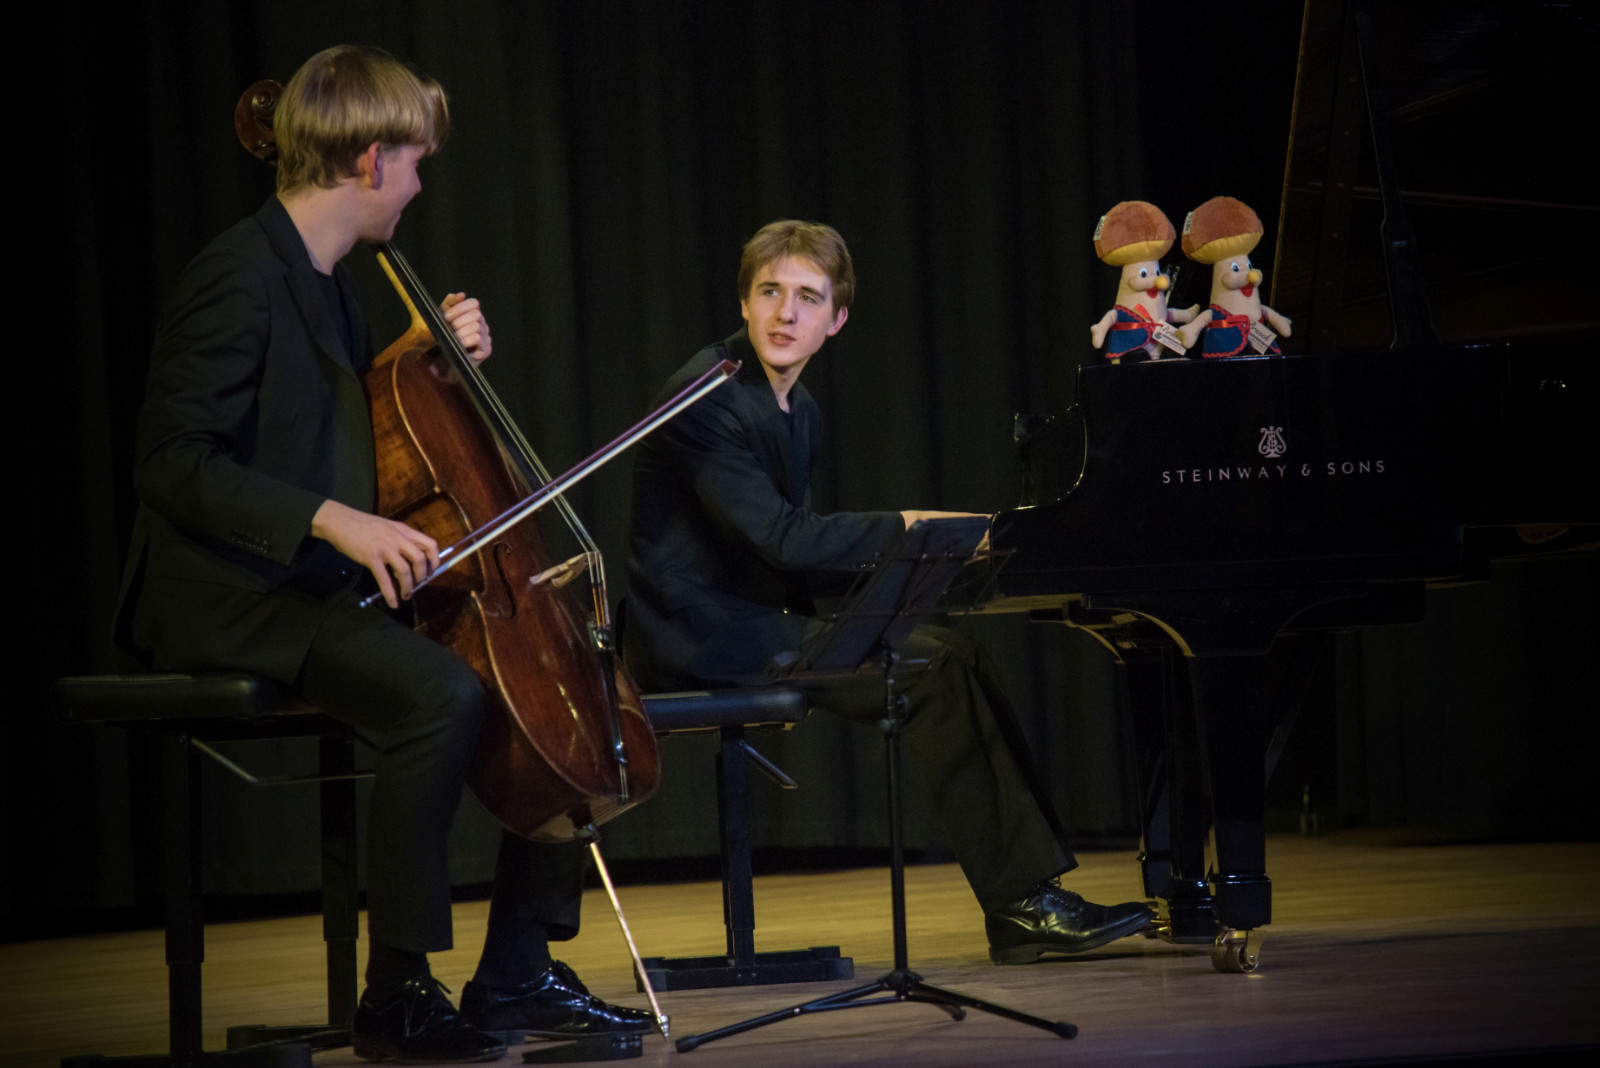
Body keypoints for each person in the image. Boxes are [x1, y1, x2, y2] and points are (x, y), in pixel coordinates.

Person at [114, 46, 649, 1063]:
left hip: (302, 582)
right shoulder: (236, 278)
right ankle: (397, 992)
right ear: (369, 160)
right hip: (224, 590)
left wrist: (419, 357)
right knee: (438, 693)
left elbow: (344, 419)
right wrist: (333, 520)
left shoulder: (329, 286)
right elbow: (171, 463)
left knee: (555, 678)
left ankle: (516, 969)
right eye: (413, 165)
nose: (415, 187)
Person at [622, 220, 1153, 966]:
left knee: (956, 656)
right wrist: (911, 527)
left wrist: (935, 566)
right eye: (770, 292)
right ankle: (1023, 905)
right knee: (934, 668)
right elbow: (785, 540)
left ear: (836, 320)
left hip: (759, 618)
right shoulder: (705, 395)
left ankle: (1031, 897)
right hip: (697, 635)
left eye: (808, 298)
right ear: (743, 303)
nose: (785, 313)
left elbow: (792, 557)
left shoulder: (799, 409)